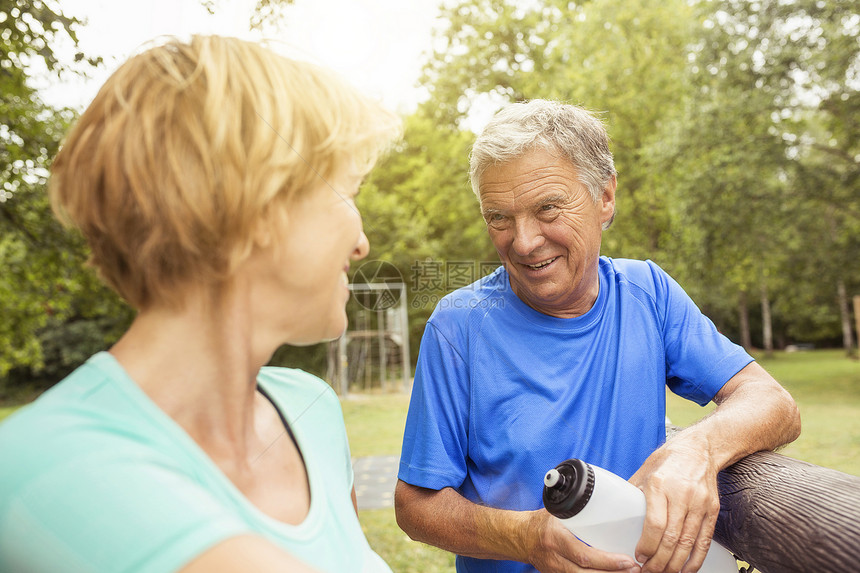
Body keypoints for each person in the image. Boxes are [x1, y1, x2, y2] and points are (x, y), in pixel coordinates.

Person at [0, 35, 401, 572]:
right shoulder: (44, 463)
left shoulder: (312, 409)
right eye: (345, 192)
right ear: (258, 205)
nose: (362, 243)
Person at [395, 100, 801, 573]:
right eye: (499, 217)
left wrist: (695, 448)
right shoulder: (457, 324)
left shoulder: (648, 293)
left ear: (605, 198)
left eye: (547, 208)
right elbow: (415, 505)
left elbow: (774, 404)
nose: (523, 241)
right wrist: (527, 538)